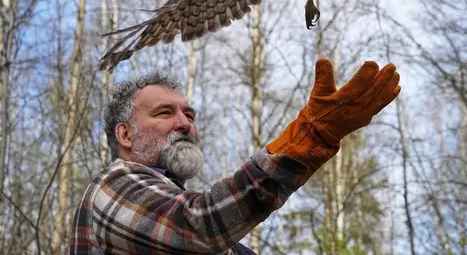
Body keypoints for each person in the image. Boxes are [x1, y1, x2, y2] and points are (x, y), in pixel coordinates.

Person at [69, 58, 401, 254]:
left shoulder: (168, 204)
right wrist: (310, 138)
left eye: (190, 115)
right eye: (164, 113)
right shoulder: (113, 184)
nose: (184, 123)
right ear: (125, 134)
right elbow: (199, 225)